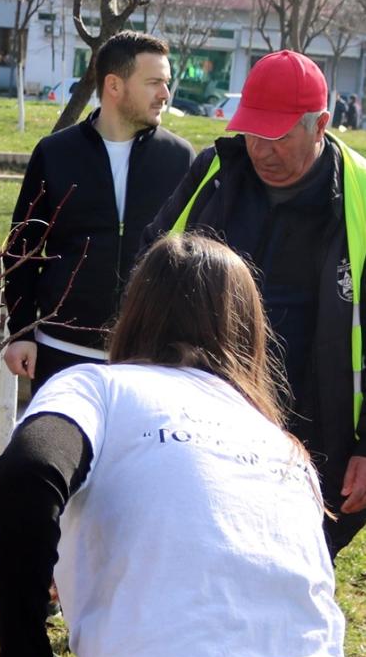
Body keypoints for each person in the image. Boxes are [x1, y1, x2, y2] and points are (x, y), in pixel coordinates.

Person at [0, 233, 366, 657]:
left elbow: (27, 475)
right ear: (248, 328)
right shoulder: (282, 443)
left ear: (135, 311)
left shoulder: (97, 388)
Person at [144, 50, 366, 560]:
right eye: (253, 132)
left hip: (315, 433)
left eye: (280, 136)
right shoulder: (215, 174)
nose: (262, 151)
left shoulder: (356, 196)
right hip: (204, 422)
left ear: (321, 126)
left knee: (290, 570)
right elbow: (151, 267)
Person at [2, 31, 195, 394]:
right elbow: (22, 249)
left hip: (150, 359)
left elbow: (195, 256)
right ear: (114, 85)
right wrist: (21, 331)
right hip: (61, 353)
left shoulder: (180, 158)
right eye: (154, 82)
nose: (165, 95)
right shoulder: (55, 153)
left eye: (165, 83)